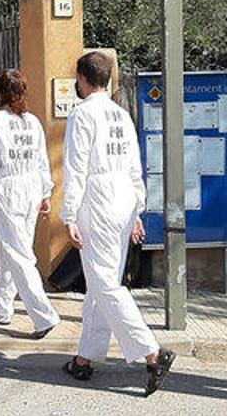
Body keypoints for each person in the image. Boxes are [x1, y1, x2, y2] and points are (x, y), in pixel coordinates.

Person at [61, 51, 174, 397]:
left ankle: (152, 353)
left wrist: (68, 215)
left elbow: (76, 168)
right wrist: (137, 208)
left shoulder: (82, 115)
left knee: (107, 285)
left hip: (96, 202)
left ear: (82, 78)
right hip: (123, 201)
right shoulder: (120, 115)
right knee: (99, 283)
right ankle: (86, 358)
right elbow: (134, 164)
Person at [0, 69, 61, 339]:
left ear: (0, 93)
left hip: (8, 189)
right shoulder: (32, 122)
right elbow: (42, 161)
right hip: (31, 188)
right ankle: (1, 308)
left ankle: (43, 316)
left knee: (18, 253)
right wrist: (45, 194)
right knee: (12, 249)